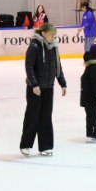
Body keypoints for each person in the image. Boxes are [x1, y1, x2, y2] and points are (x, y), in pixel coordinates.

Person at [20, 22, 67, 157]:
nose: (53, 37)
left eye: (54, 35)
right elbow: (29, 67)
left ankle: (45, 146)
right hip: (35, 88)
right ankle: (26, 145)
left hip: (48, 87)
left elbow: (57, 67)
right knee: (32, 116)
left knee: (46, 116)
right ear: (44, 33)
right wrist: (34, 85)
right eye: (51, 35)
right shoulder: (34, 46)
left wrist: (62, 83)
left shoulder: (54, 47)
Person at [81, 43, 96, 142]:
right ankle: (91, 134)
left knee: (93, 114)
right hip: (90, 97)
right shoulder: (94, 68)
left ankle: (94, 131)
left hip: (90, 96)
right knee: (92, 115)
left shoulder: (92, 65)